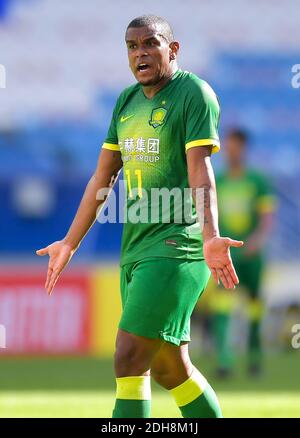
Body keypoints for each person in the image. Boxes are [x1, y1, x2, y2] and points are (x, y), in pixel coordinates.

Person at [36, 15, 243, 418]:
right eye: (132, 47)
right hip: (136, 249)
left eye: (150, 43)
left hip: (176, 247)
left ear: (174, 49)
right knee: (170, 368)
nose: (140, 54)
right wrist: (69, 242)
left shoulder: (194, 94)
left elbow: (201, 168)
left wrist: (211, 234)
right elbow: (103, 175)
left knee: (128, 357)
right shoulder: (126, 101)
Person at [212, 129, 276, 377]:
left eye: (235, 145)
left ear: (244, 148)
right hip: (226, 255)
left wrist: (257, 241)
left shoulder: (257, 180)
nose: (231, 150)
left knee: (254, 309)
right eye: (228, 145)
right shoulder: (218, 180)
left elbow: (267, 217)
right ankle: (224, 362)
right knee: (221, 307)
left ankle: (254, 357)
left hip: (252, 256)